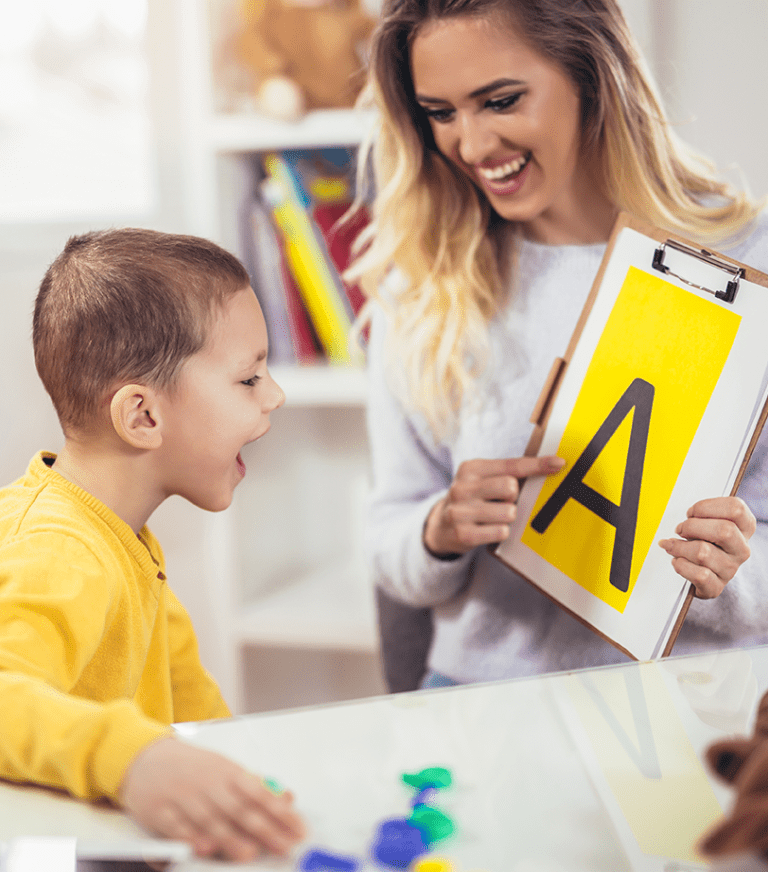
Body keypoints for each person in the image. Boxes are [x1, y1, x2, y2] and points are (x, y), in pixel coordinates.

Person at [350, 0, 768, 690]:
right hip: (485, 702)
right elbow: (388, 539)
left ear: (591, 76)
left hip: (694, 703)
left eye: (502, 100)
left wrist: (733, 576)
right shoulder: (420, 287)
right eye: (441, 113)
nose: (474, 145)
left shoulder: (748, 266)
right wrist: (439, 529)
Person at [0, 229, 306, 861]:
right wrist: (133, 760)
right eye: (248, 379)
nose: (274, 395)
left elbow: (191, 704)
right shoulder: (62, 552)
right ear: (142, 417)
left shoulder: (125, 536)